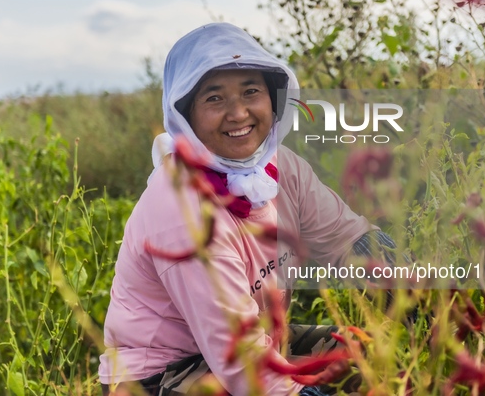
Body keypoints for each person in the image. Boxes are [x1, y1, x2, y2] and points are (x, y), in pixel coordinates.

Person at [99, 22, 398, 396]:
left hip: (255, 345)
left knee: (364, 353)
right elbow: (239, 359)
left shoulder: (281, 167)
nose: (238, 113)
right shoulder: (183, 207)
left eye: (250, 91)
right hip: (161, 376)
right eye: (214, 98)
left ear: (272, 98)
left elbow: (348, 240)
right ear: (185, 115)